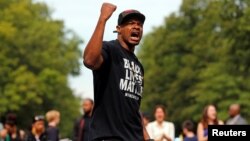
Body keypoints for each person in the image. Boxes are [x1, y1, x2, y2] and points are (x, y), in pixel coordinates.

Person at [83, 2, 151, 141]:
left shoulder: (139, 66)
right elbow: (89, 60)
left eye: (140, 24)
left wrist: (148, 138)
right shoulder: (110, 50)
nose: (137, 27)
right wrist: (103, 19)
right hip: (110, 136)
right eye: (131, 23)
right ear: (119, 29)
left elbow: (134, 108)